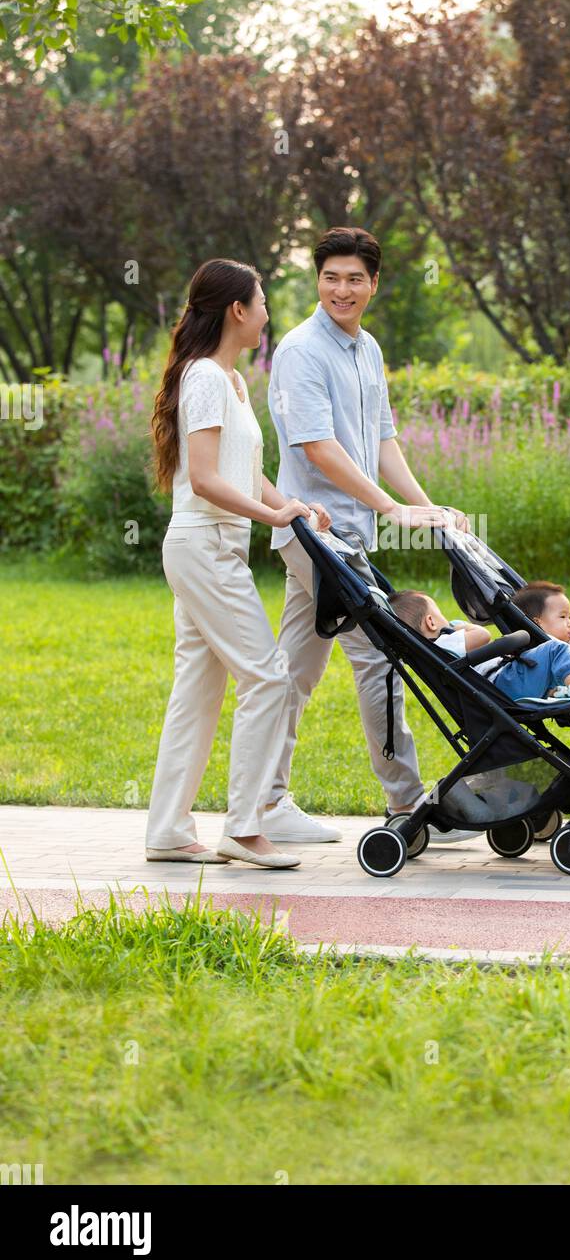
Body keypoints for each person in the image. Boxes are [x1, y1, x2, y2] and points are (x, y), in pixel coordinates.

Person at [262, 226, 478, 844]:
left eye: (355, 278)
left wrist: (424, 505)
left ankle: (264, 802)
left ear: (374, 283)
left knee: (293, 674)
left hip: (346, 536)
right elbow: (317, 448)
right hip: (313, 535)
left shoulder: (368, 349)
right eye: (331, 277)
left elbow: (382, 440)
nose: (342, 289)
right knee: (383, 656)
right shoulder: (302, 350)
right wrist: (391, 508)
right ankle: (407, 807)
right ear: (317, 280)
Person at [146, 258, 331, 867]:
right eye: (262, 302)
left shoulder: (231, 381)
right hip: (203, 545)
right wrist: (269, 517)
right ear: (237, 311)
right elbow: (201, 480)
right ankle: (244, 827)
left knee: (197, 691)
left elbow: (245, 472)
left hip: (214, 546)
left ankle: (168, 831)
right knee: (269, 676)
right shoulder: (202, 378)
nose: (267, 314)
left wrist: (293, 507)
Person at [387, 591, 570, 703]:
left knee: (543, 659)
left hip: (500, 687)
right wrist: (460, 626)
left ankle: (561, 690)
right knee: (554, 649)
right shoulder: (445, 641)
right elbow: (482, 636)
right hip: (504, 684)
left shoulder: (434, 652)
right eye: (440, 614)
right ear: (430, 622)